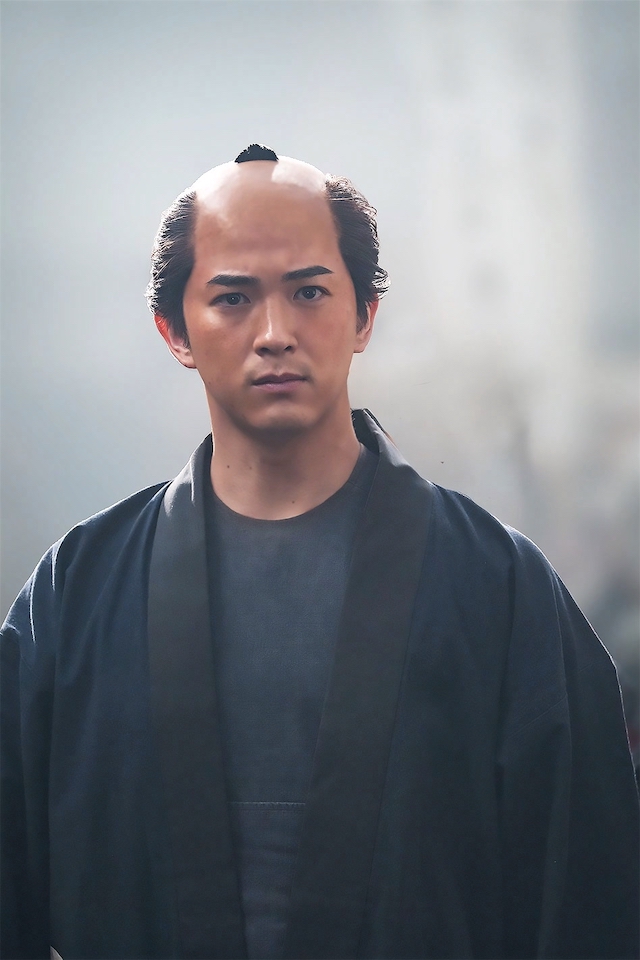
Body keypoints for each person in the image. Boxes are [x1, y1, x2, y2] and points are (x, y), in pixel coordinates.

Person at [1, 144, 638, 960]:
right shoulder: (76, 598)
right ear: (175, 330)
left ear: (365, 314)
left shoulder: (501, 590)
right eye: (233, 298)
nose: (275, 334)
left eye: (309, 292)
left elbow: (591, 900)